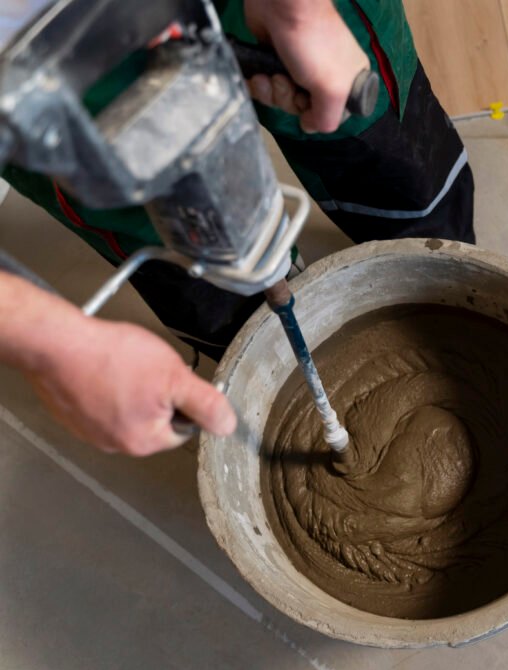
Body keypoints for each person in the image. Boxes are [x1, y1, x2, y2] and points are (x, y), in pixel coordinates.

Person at [0, 0, 474, 456]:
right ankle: (257, 338)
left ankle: (446, 284)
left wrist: (299, 9)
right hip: (26, 86)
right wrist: (53, 345)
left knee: (365, 125)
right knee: (177, 254)